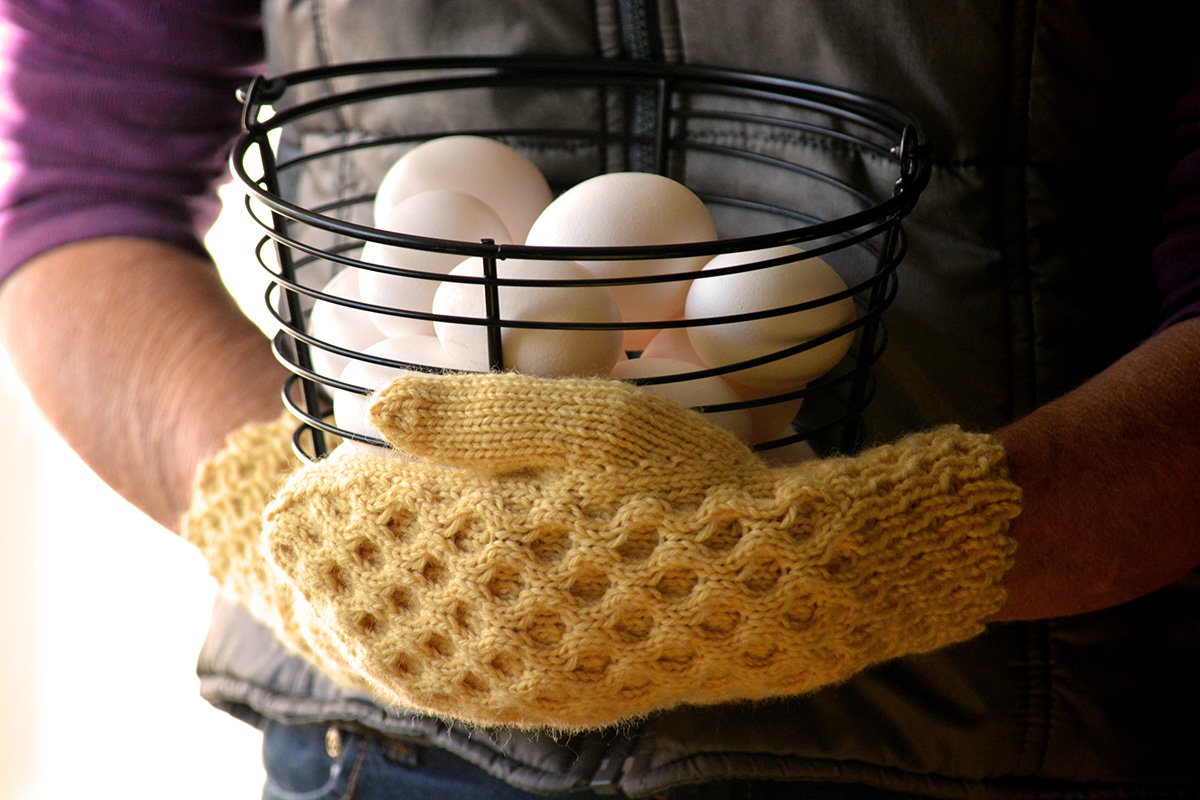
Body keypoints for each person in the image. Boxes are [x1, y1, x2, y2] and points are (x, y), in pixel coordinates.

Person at [1, 1, 1198, 797]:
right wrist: (285, 519)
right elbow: (74, 192)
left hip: (978, 745)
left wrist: (893, 556)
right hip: (389, 750)